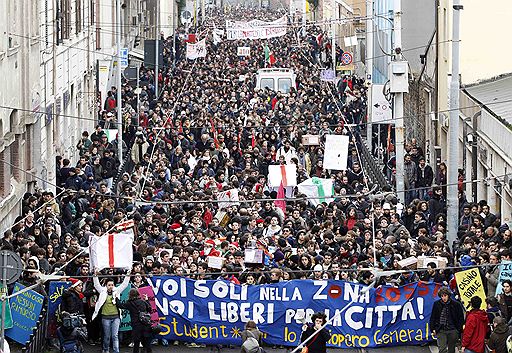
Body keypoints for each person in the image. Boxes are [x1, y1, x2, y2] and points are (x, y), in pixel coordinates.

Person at [92, 270, 131, 353]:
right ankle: (106, 350)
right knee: (107, 336)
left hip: (116, 317)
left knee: (115, 336)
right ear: (106, 285)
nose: (111, 286)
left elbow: (124, 284)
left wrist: (128, 275)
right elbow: (96, 285)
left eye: (112, 285)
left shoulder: (117, 291)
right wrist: (95, 276)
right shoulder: (102, 291)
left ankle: (116, 351)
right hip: (105, 317)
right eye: (109, 285)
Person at [116, 288, 152, 353]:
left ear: (130, 295)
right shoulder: (142, 301)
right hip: (145, 324)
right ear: (138, 294)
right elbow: (150, 309)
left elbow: (120, 305)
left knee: (136, 342)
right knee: (146, 342)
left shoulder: (129, 303)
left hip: (136, 325)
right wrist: (147, 300)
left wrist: (116, 298)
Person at [429, 287, 464, 353]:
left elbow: (460, 318)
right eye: (442, 296)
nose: (443, 298)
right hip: (441, 329)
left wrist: (457, 330)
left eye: (445, 296)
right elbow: (433, 317)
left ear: (448, 295)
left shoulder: (456, 305)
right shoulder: (437, 304)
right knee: (442, 349)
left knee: (451, 350)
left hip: (453, 330)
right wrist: (433, 328)